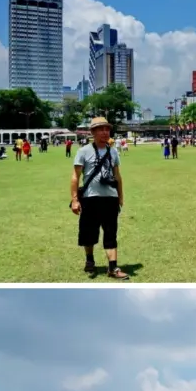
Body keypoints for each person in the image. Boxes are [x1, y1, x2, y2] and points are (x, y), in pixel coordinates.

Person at [71, 116, 129, 280]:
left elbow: (117, 176)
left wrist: (120, 197)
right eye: (101, 129)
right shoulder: (83, 151)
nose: (105, 132)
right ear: (93, 132)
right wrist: (75, 199)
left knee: (111, 233)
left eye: (107, 129)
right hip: (90, 198)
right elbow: (75, 177)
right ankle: (90, 260)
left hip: (110, 198)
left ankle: (113, 267)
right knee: (88, 232)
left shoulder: (113, 152)